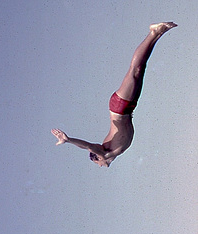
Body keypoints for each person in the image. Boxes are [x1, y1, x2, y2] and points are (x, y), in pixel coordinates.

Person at [51, 22, 177, 168]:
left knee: (134, 70)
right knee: (140, 69)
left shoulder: (105, 153)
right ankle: (158, 33)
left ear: (97, 158)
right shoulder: (113, 152)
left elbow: (88, 147)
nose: (101, 166)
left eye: (98, 163)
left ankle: (153, 33)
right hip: (128, 108)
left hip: (119, 108)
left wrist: (69, 140)